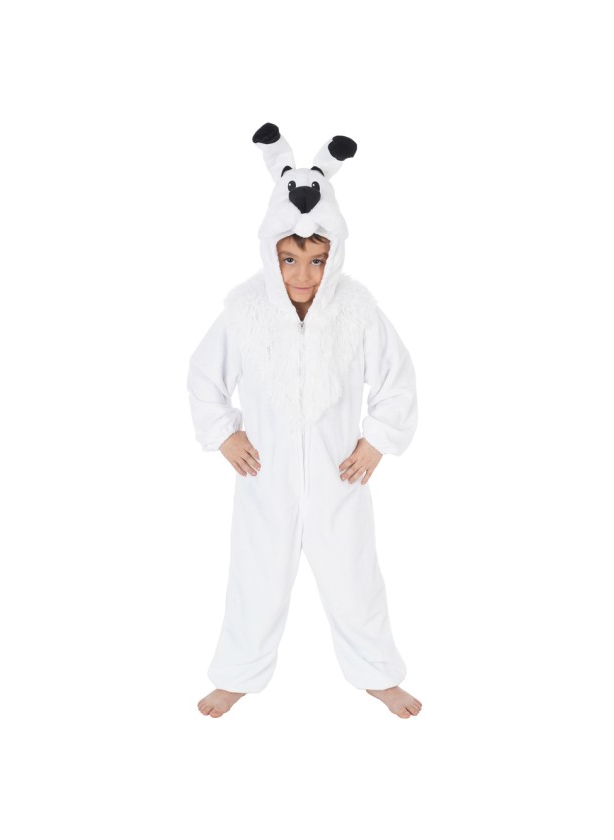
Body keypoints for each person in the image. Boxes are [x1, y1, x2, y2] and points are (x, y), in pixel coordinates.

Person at [187, 122, 422, 719]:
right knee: (256, 576)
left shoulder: (356, 311)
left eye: (318, 260)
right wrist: (224, 432)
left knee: (354, 577)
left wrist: (377, 441)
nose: (303, 275)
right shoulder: (245, 312)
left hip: (340, 474)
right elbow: (203, 376)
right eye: (289, 259)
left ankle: (377, 675)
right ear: (271, 254)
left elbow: (397, 378)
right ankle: (237, 675)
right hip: (264, 474)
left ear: (334, 255)